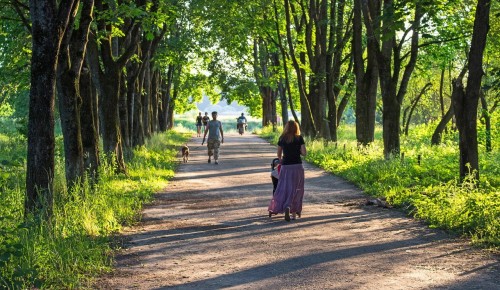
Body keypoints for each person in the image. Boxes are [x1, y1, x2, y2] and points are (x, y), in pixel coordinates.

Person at [268, 120, 306, 221]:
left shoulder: (282, 138)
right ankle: (294, 213)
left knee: (285, 187)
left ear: (286, 127)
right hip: (297, 166)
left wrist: (281, 160)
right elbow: (304, 153)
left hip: (286, 166)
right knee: (297, 188)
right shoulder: (299, 138)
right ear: (296, 128)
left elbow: (279, 154)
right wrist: (297, 151)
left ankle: (286, 206)